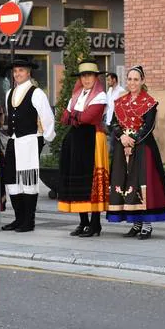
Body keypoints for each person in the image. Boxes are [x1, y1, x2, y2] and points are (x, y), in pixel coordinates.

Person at [106, 65, 165, 239]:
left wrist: (133, 140)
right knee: (127, 184)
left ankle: (147, 225)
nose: (132, 82)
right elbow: (114, 123)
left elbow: (148, 126)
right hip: (123, 148)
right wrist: (122, 137)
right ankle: (135, 223)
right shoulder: (120, 102)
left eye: (136, 79)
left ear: (142, 81)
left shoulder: (149, 102)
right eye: (129, 79)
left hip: (143, 148)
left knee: (143, 184)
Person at [0, 59, 55, 233]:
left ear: (28, 72)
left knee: (28, 180)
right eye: (15, 71)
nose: (17, 74)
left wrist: (45, 137)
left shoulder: (37, 93)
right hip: (14, 140)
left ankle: (28, 221)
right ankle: (18, 218)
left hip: (31, 139)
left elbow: (47, 117)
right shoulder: (10, 92)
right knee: (11, 180)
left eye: (21, 71)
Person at [57, 60, 109, 237]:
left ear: (96, 77)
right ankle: (83, 222)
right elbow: (64, 117)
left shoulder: (100, 96)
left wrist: (74, 116)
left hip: (92, 138)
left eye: (89, 75)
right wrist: (75, 117)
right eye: (83, 76)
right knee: (78, 180)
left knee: (91, 181)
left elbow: (88, 117)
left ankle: (95, 223)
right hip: (76, 140)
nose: (86, 79)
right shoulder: (77, 95)